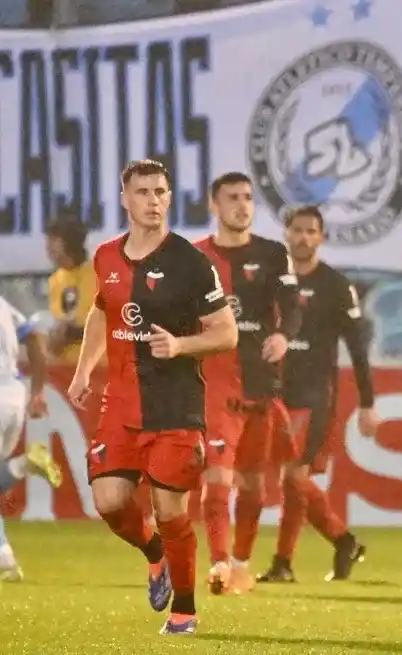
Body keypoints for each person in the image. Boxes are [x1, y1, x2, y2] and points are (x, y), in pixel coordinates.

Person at [66, 159, 238, 635]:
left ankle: (184, 610)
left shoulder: (191, 262)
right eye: (142, 192)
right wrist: (84, 371)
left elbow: (227, 332)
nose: (153, 200)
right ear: (125, 199)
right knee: (109, 501)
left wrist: (182, 345)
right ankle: (153, 553)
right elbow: (102, 314)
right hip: (121, 406)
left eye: (160, 191)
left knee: (171, 512)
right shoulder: (105, 257)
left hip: (175, 406)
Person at [257, 205, 379, 584]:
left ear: (321, 237)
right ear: (286, 234)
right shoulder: (270, 283)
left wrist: (367, 403)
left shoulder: (336, 287)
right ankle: (310, 553)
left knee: (294, 476)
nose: (304, 237)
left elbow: (358, 348)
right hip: (273, 392)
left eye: (312, 231)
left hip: (314, 394)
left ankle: (316, 549)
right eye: (297, 230)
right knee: (290, 480)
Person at [193, 172, 300, 595]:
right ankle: (219, 564)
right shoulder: (195, 258)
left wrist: (284, 335)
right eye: (232, 198)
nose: (242, 205)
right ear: (213, 205)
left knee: (254, 485)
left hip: (260, 383)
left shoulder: (274, 255)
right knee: (217, 478)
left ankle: (240, 565)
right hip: (216, 382)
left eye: (248, 198)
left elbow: (292, 306)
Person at [0, 295, 62, 580]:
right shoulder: (4, 304)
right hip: (13, 395)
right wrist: (37, 389)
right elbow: (34, 337)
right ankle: (5, 559)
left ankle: (24, 463)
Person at [45, 217, 96, 364]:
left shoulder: (101, 273)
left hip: (99, 370)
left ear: (70, 242)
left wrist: (70, 333)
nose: (48, 247)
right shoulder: (55, 280)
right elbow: (59, 326)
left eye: (53, 240)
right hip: (66, 371)